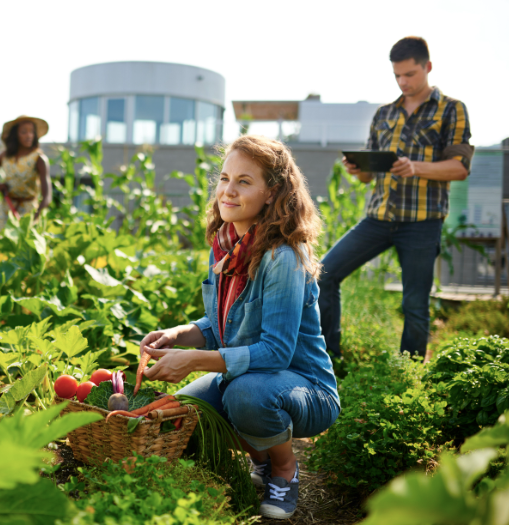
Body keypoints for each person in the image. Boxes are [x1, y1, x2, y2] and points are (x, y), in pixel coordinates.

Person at [140, 135, 340, 520]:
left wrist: (194, 360)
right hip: (249, 377)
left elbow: (276, 352)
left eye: (244, 182)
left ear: (272, 192)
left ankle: (283, 468)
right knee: (182, 415)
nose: (228, 191)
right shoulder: (227, 246)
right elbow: (223, 325)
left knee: (245, 396)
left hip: (304, 387)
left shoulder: (282, 257)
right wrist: (180, 335)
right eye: (225, 178)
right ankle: (260, 453)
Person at [319, 36, 473, 360]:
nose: (403, 82)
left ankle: (410, 373)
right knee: (323, 274)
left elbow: (459, 168)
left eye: (410, 74)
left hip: (422, 223)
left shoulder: (451, 110)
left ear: (427, 67)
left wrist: (415, 167)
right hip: (378, 219)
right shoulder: (384, 114)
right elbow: (368, 176)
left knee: (414, 304)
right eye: (397, 76)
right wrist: (357, 168)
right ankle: (328, 359)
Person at [0, 116, 52, 231]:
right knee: (0, 243)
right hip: (6, 207)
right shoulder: (5, 156)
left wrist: (34, 217)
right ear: (15, 135)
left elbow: (47, 197)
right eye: (24, 132)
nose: (29, 135)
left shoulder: (38, 159)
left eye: (32, 132)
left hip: (29, 210)